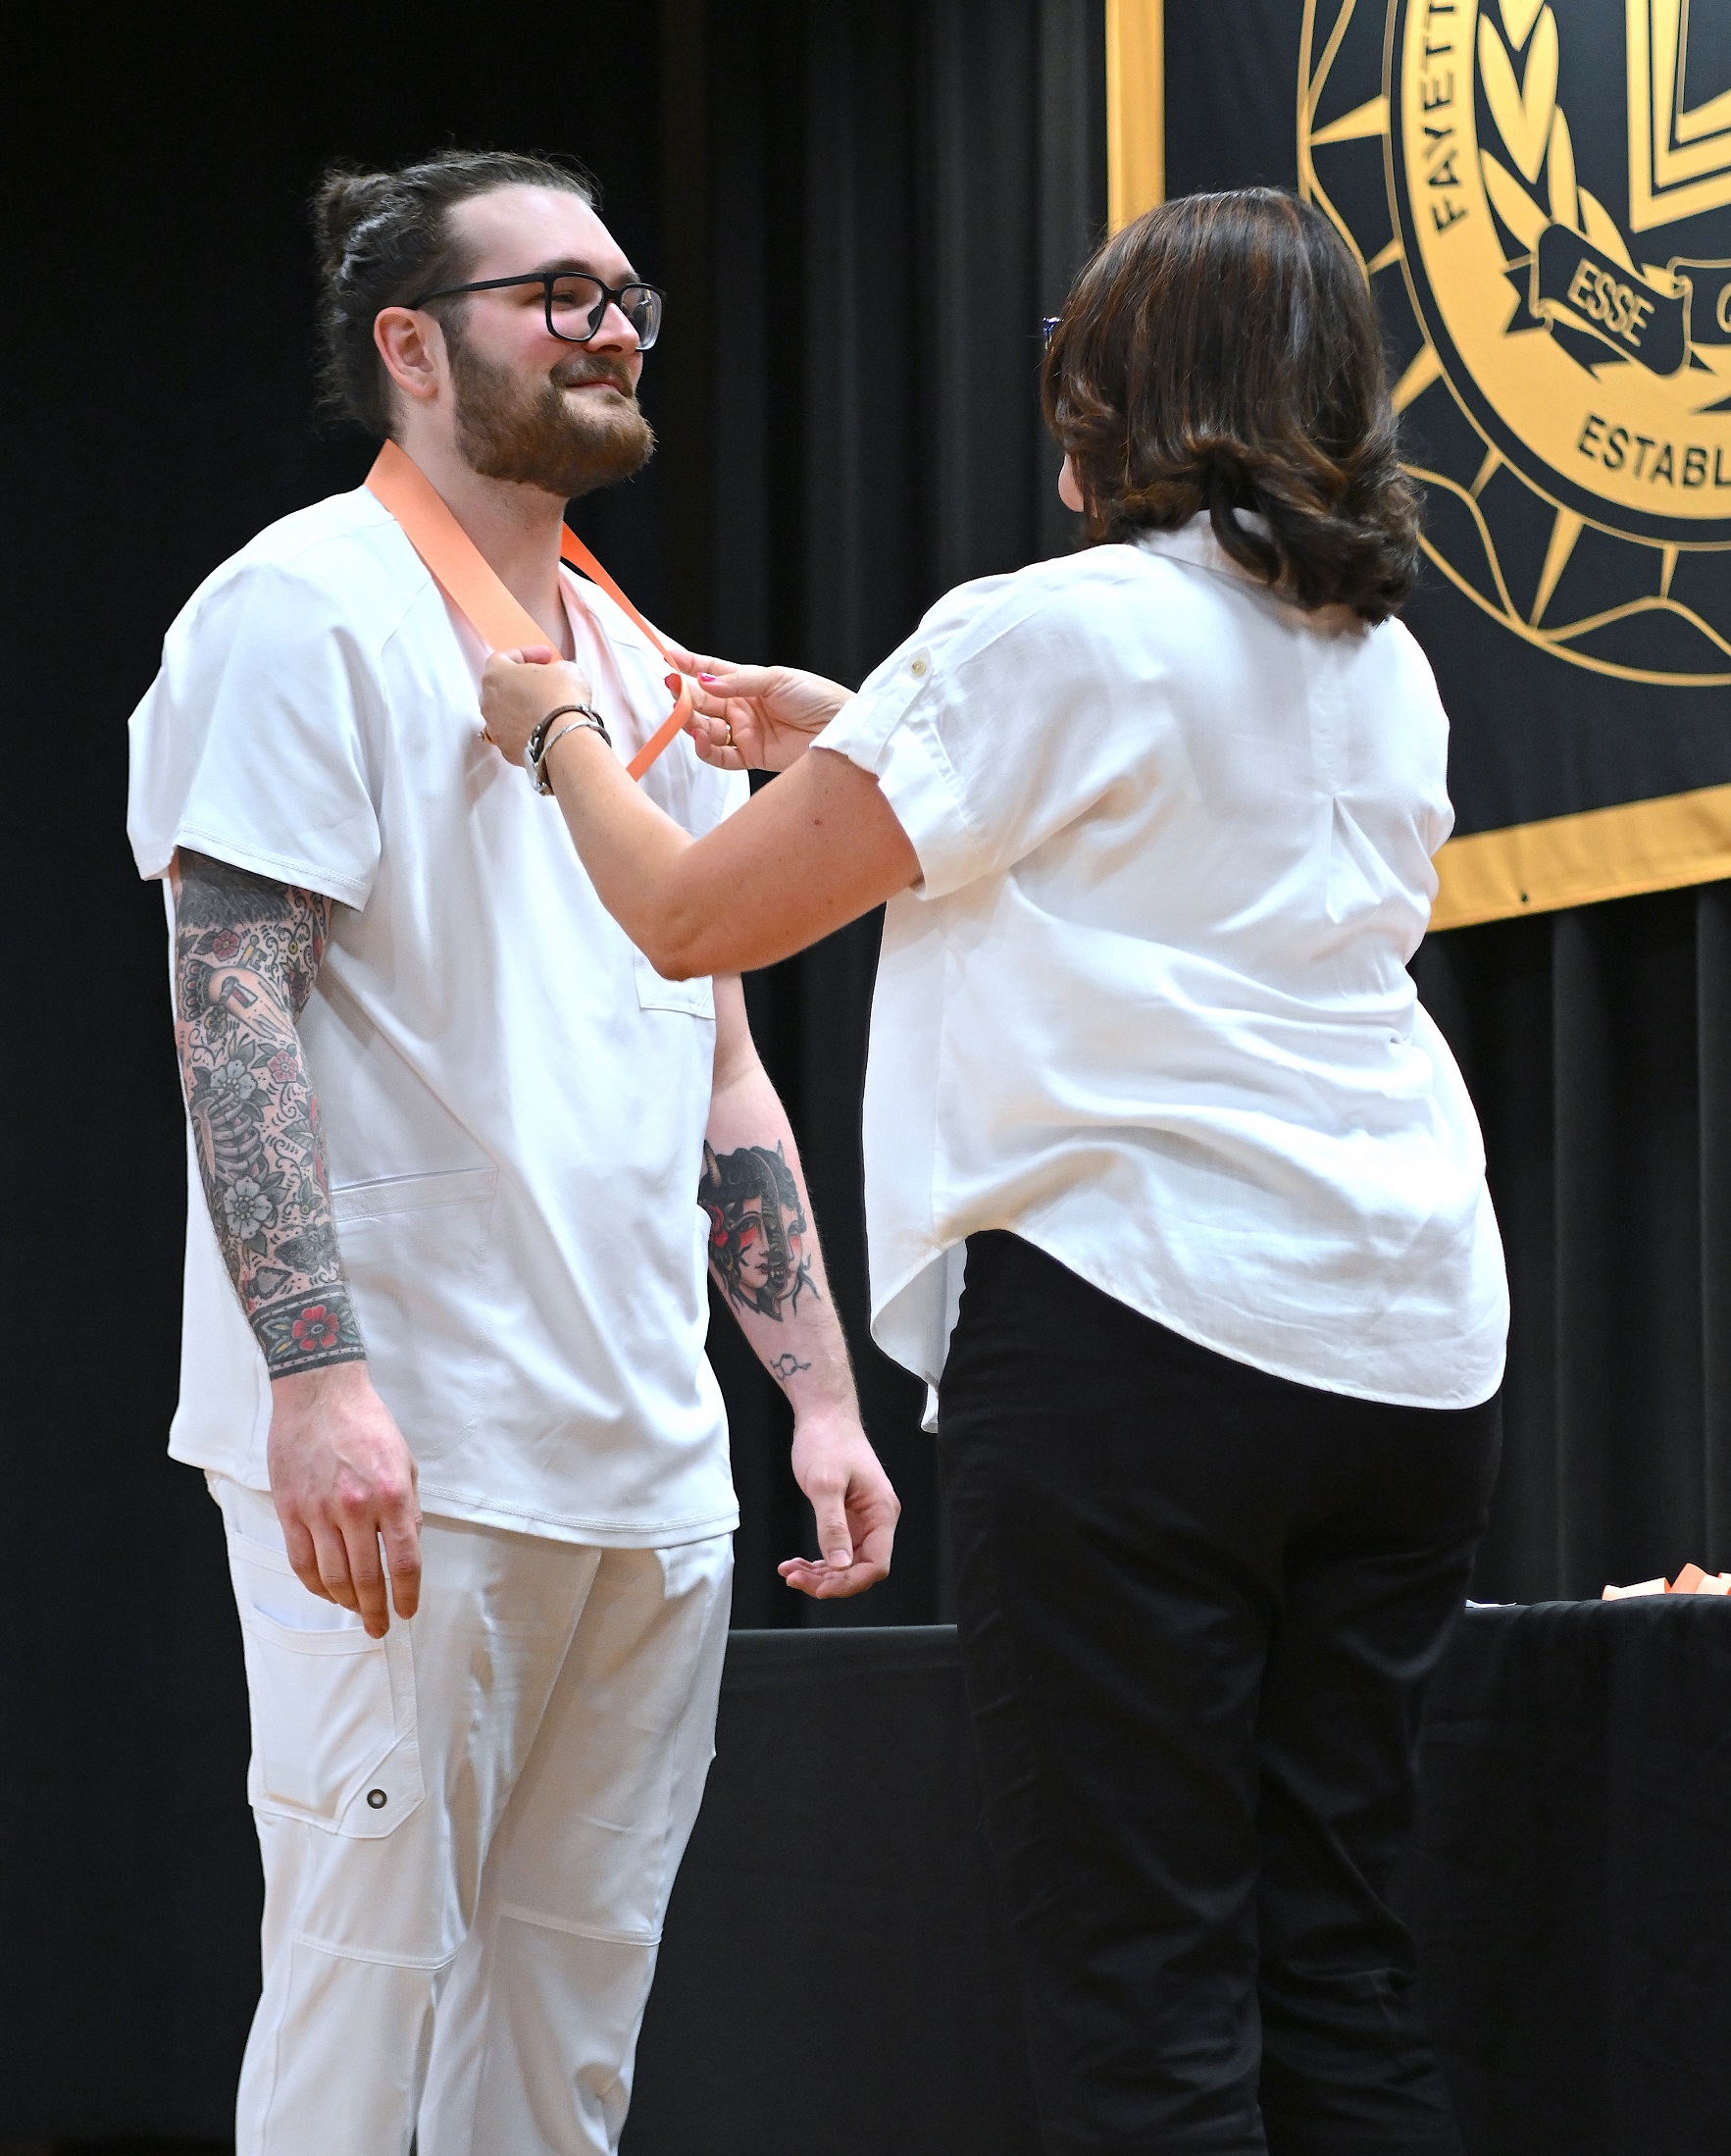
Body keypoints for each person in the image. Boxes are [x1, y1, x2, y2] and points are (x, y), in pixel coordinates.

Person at [478, 188, 1510, 2154]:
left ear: (1126, 385)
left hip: (1146, 1338)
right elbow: (1144, 851)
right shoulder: (1380, 660)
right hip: (1408, 1355)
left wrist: (556, 735)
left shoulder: (1043, 630)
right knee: (1339, 1968)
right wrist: (862, 730)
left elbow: (692, 914)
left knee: (1146, 1990)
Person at [126, 147, 897, 2156]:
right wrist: (315, 1376)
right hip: (413, 1449)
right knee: (361, 2002)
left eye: (627, 293)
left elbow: (720, 1063)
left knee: (568, 2035)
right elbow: (232, 1004)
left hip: (643, 1457)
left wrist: (815, 1393)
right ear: (411, 345)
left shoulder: (646, 669)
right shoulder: (303, 606)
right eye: (557, 293)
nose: (614, 325)